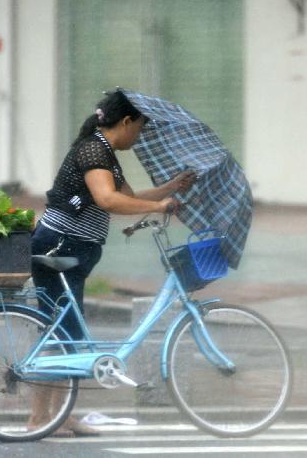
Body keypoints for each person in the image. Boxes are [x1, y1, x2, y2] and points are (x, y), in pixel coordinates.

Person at [27, 89, 195, 437]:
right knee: (59, 333)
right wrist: (157, 208)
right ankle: (37, 419)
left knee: (65, 333)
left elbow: (128, 198)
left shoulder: (105, 153)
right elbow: (107, 199)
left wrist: (170, 188)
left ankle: (58, 416)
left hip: (72, 248)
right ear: (127, 121)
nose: (140, 135)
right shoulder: (93, 149)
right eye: (140, 128)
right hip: (61, 246)